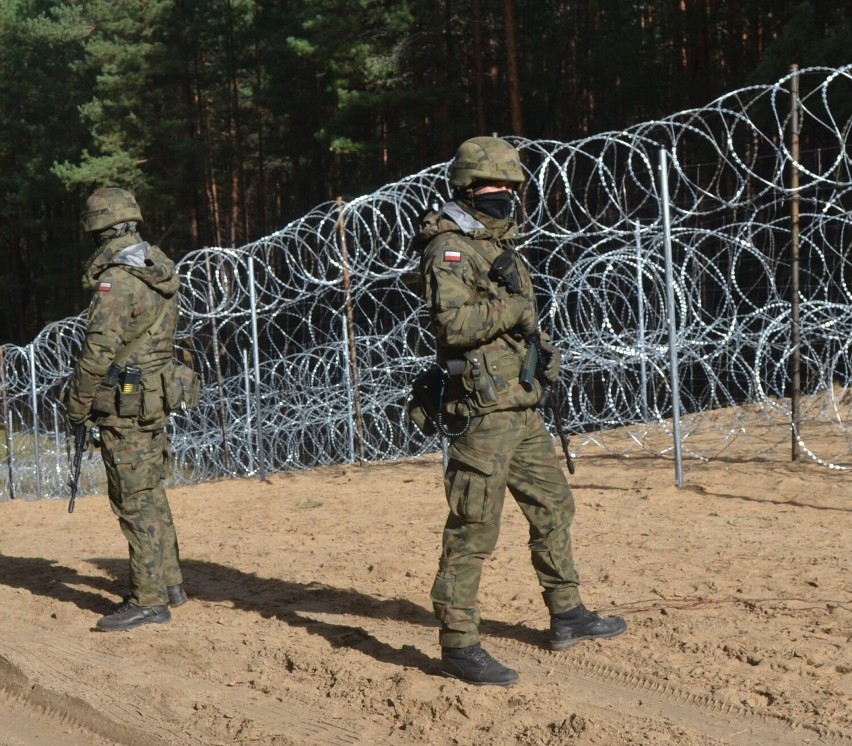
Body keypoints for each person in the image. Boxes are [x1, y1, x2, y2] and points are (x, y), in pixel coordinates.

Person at [411, 136, 626, 686]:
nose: (502, 193)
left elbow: (519, 324)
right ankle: (459, 643)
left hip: (521, 408)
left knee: (553, 507)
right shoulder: (449, 249)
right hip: (481, 414)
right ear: (466, 188)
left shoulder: (496, 244)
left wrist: (542, 354)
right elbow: (452, 326)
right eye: (491, 186)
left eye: (509, 186)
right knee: (473, 528)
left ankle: (568, 614)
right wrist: (515, 310)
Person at [65, 187, 186, 632]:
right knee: (151, 491)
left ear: (98, 228)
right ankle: (168, 582)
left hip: (124, 405)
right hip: (153, 396)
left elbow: (99, 350)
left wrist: (76, 403)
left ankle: (149, 600)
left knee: (133, 500)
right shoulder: (157, 268)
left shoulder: (116, 280)